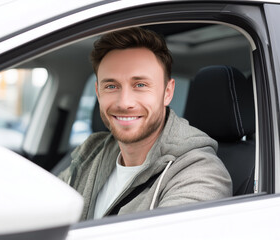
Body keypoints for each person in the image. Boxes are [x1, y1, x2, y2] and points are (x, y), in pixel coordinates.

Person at [59, 27, 232, 221]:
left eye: (140, 85)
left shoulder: (201, 174)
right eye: (111, 86)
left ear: (167, 92)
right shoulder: (92, 150)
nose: (124, 103)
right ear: (98, 93)